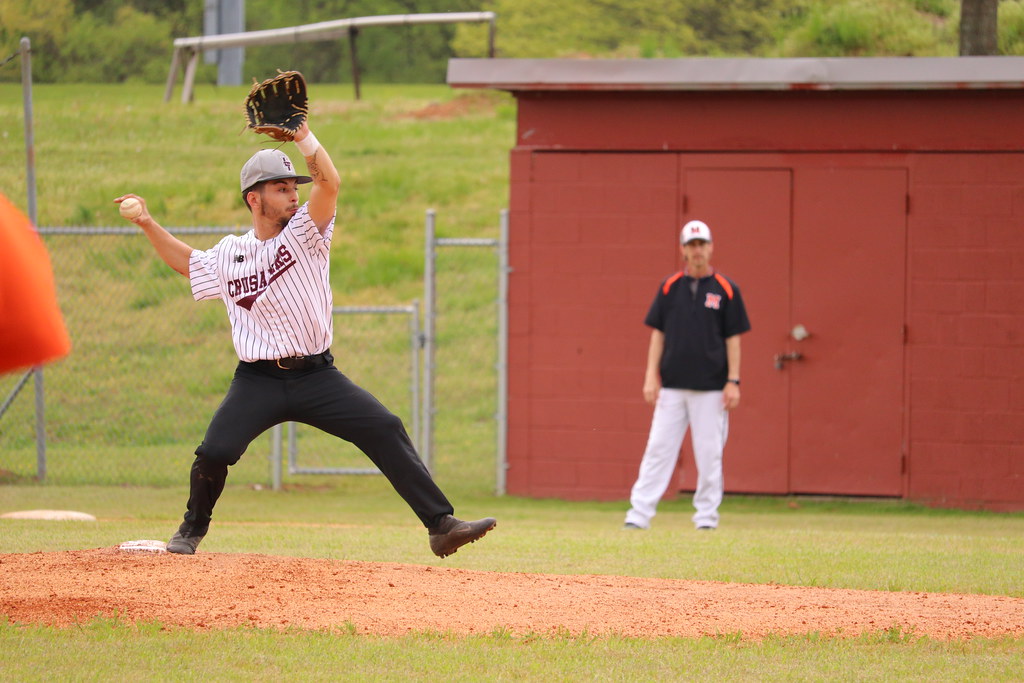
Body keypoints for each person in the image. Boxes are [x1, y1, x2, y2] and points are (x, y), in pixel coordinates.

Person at [115, 122, 495, 558]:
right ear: (253, 198)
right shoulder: (230, 254)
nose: (293, 195)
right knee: (215, 451)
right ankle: (190, 530)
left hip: (318, 377)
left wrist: (303, 136)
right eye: (281, 188)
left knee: (384, 427)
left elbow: (329, 184)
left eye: (294, 187)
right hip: (256, 380)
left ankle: (441, 526)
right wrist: (146, 222)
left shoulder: (306, 232)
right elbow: (188, 263)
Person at [623, 219, 750, 531]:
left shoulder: (726, 289)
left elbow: (733, 338)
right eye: (691, 245)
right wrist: (650, 376)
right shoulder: (669, 287)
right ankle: (638, 515)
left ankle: (706, 518)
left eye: (702, 244)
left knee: (709, 455)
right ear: (682, 250)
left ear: (711, 247)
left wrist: (733, 380)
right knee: (658, 449)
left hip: (711, 388)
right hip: (673, 387)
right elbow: (658, 335)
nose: (697, 251)